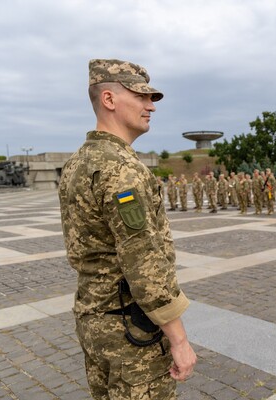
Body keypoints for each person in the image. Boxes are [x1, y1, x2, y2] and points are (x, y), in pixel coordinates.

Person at [58, 59, 196, 399]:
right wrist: (178, 339)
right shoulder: (122, 170)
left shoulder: (78, 162)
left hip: (94, 321)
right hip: (130, 329)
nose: (151, 106)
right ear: (109, 100)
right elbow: (144, 265)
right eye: (141, 97)